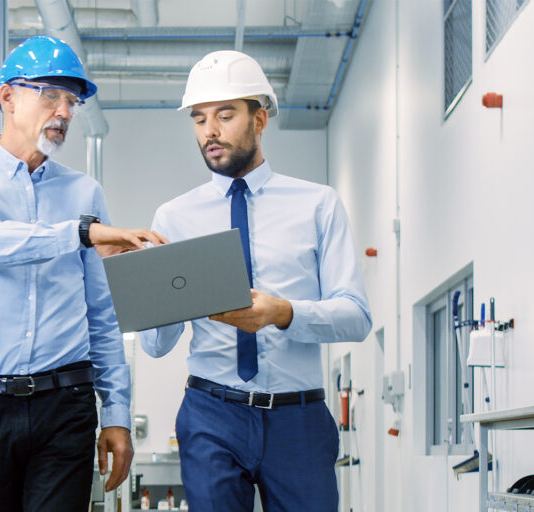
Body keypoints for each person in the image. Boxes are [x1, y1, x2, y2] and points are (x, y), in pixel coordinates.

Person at [0, 35, 166, 512]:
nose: (64, 111)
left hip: (67, 404)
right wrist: (80, 234)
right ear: (7, 96)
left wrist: (116, 414)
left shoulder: (85, 191)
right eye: (50, 94)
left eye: (72, 100)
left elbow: (101, 315)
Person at [139, 50, 372, 511]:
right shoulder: (174, 217)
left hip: (298, 418)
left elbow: (357, 316)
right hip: (211, 414)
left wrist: (284, 314)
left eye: (225, 115)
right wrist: (151, 291)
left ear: (259, 118)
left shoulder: (317, 205)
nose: (210, 130)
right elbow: (155, 345)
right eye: (200, 118)